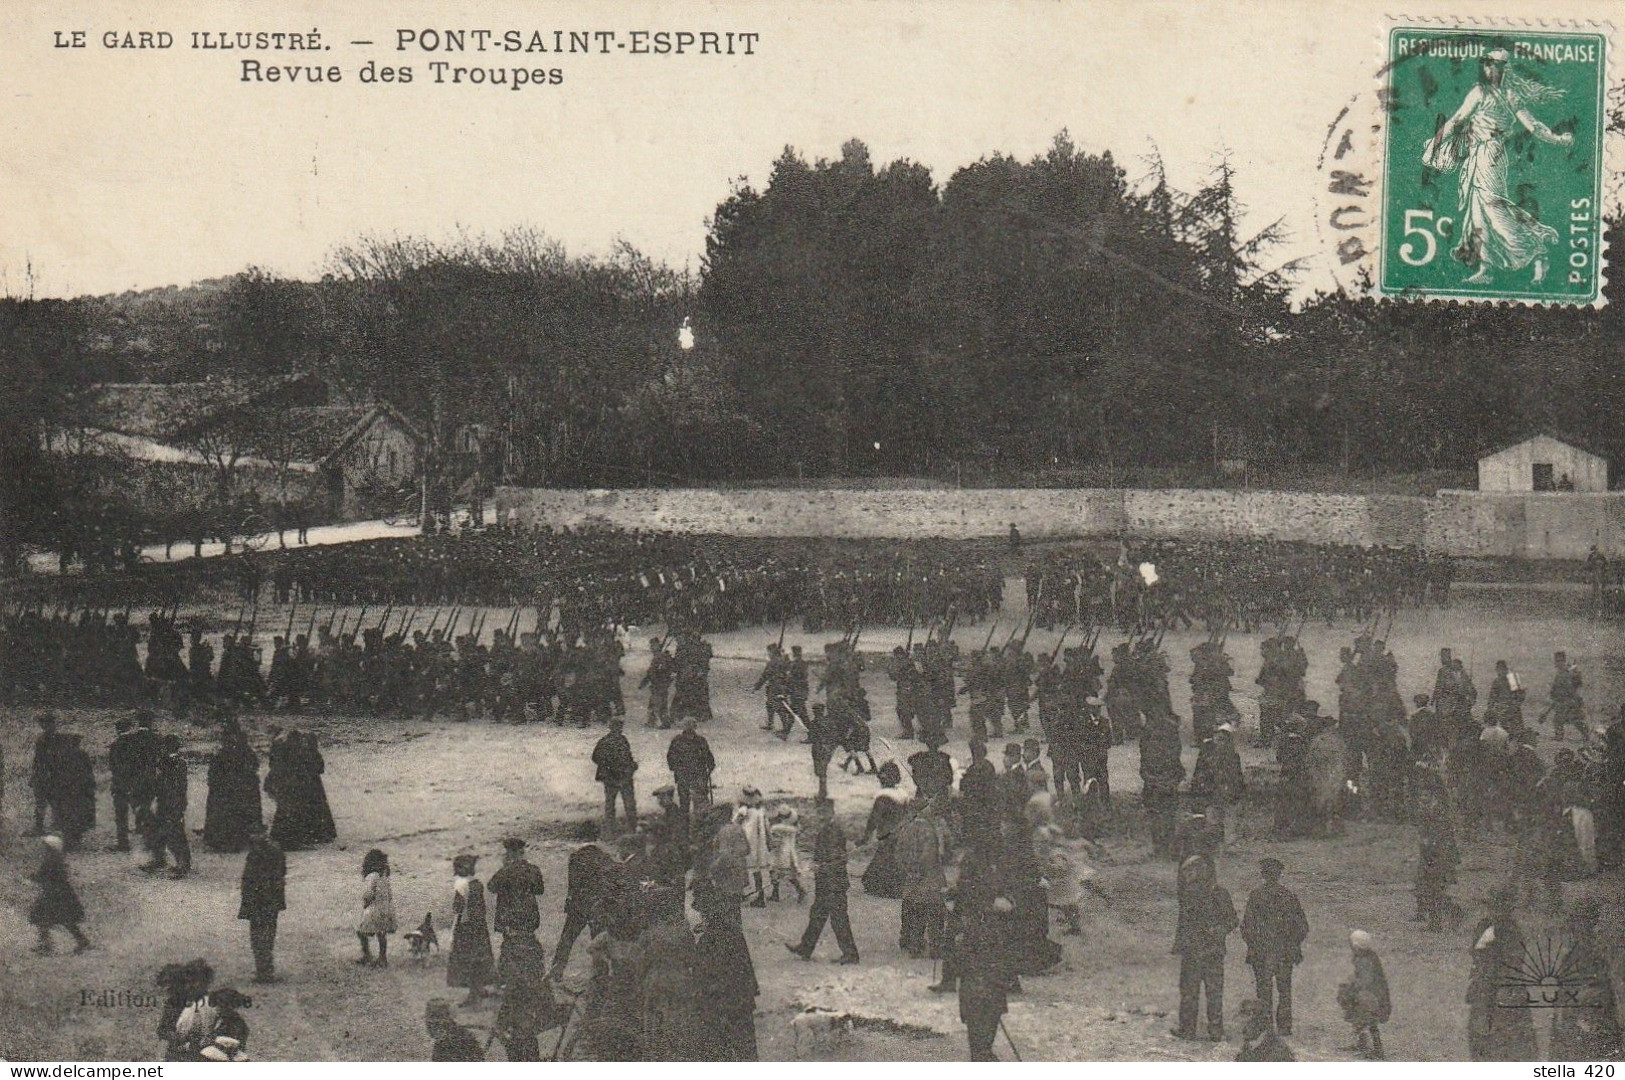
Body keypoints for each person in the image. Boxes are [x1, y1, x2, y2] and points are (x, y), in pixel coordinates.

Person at [1422, 48, 1574, 286]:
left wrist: (1558, 139)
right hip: (1477, 154)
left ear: (1503, 68)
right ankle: (1487, 267)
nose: (1489, 68)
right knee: (1478, 210)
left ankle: (1537, 249)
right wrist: (1436, 141)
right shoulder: (1479, 92)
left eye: (1494, 64)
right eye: (1487, 64)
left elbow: (1533, 126)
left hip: (1492, 155)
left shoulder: (1510, 96)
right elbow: (1457, 120)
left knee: (1493, 207)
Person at [1171, 855, 1238, 1041]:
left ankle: (1208, 1031)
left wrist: (1219, 930)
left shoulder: (1218, 893)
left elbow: (1232, 919)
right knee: (1194, 993)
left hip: (1207, 952)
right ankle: (1193, 1030)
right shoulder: (1189, 895)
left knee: (1208, 992)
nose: (1186, 876)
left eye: (1190, 871)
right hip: (1198, 952)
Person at [1240, 857, 1308, 1036]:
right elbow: (1302, 926)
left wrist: (1254, 944)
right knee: (1284, 989)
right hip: (1284, 951)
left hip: (1262, 952)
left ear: (1263, 875)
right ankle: (1284, 1027)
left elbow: (1246, 926)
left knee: (1264, 989)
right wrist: (1292, 944)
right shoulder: (1289, 896)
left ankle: (1265, 1025)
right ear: (1279, 875)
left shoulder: (1256, 896)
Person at [788, 798, 859, 964]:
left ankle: (851, 954)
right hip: (826, 882)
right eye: (819, 812)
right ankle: (806, 947)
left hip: (833, 883)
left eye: (824, 812)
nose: (820, 815)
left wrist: (821, 867)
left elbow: (837, 860)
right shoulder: (827, 829)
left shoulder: (833, 831)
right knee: (817, 915)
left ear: (832, 813)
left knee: (838, 919)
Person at [956, 896, 1017, 1061]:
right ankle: (981, 1054)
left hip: (983, 984)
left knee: (983, 1021)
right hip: (983, 984)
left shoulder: (992, 931)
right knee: (983, 1020)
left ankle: (981, 1053)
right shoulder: (985, 930)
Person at [488, 836, 546, 970]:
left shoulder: (505, 871)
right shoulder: (533, 870)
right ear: (522, 852)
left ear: (508, 854)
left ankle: (510, 975)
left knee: (510, 947)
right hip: (529, 916)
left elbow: (491, 887)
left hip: (509, 918)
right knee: (529, 943)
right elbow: (540, 890)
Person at [238, 824, 287, 983]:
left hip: (258, 899)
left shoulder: (254, 854)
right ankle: (266, 969)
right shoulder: (276, 850)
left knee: (258, 935)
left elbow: (248, 880)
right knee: (268, 933)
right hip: (271, 898)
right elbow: (282, 873)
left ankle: (263, 970)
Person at [30, 835, 91, 955]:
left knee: (44, 918)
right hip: (60, 894)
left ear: (51, 849)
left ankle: (46, 945)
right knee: (64, 920)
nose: (44, 850)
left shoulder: (50, 861)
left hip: (54, 895)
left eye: (46, 848)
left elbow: (43, 876)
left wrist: (33, 877)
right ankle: (81, 940)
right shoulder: (58, 860)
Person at [448, 853, 496, 1005]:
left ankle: (473, 994)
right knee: (479, 958)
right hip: (479, 926)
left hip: (466, 927)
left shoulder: (460, 884)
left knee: (466, 960)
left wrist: (454, 929)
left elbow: (457, 908)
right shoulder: (477, 883)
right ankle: (479, 988)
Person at [1337, 930, 1391, 1060]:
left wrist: (1352, 987)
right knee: (1360, 1016)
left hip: (1372, 996)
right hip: (1370, 994)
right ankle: (1362, 1043)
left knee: (1369, 1019)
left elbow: (1365, 981)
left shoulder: (1365, 960)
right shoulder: (1366, 957)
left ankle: (1378, 1049)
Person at [144, 734, 192, 878]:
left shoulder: (178, 763)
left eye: (165, 745)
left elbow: (178, 787)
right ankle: (159, 859)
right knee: (158, 829)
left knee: (175, 831)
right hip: (164, 801)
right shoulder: (164, 761)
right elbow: (157, 783)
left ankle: (183, 864)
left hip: (173, 802)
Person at [593, 717, 638, 834]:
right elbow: (596, 757)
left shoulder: (611, 740)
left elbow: (596, 757)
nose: (619, 729)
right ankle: (626, 828)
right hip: (618, 777)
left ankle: (614, 828)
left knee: (614, 804)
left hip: (617, 777)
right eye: (618, 727)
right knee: (624, 804)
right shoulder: (615, 741)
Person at [666, 718, 714, 819]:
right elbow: (671, 758)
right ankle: (690, 822)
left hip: (693, 775)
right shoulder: (696, 741)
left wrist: (710, 765)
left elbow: (709, 757)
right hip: (689, 775)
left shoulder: (681, 741)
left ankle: (696, 821)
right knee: (688, 802)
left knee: (696, 801)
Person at [357, 848, 398, 967]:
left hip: (374, 910)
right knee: (382, 934)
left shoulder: (371, 877)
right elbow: (390, 895)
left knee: (361, 931)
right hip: (386, 909)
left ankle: (367, 954)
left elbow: (369, 893)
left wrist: (366, 903)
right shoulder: (384, 878)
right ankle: (382, 957)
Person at [767, 805, 806, 903]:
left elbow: (773, 830)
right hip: (787, 852)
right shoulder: (793, 828)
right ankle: (777, 893)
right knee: (786, 874)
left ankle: (798, 891)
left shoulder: (780, 828)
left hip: (783, 852)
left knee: (777, 872)